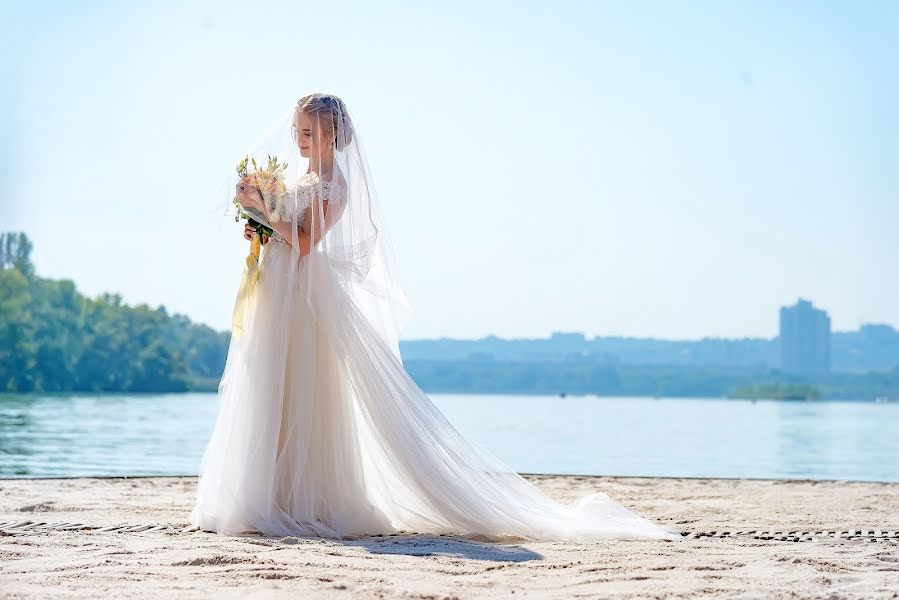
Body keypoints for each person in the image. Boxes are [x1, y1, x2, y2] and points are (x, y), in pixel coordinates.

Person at [189, 93, 682, 543]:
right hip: (280, 295)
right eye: (297, 130)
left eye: (309, 132)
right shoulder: (301, 180)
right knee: (269, 387)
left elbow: (300, 243)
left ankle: (301, 500)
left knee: (300, 388)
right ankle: (265, 494)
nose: (299, 139)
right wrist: (259, 217)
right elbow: (282, 233)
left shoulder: (333, 187)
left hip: (304, 300)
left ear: (334, 136)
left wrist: (259, 211)